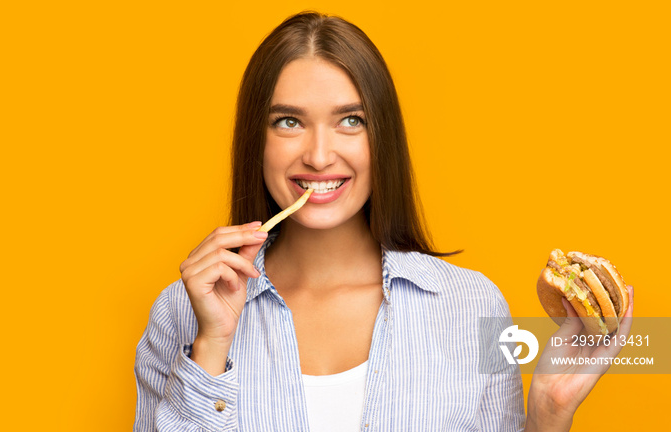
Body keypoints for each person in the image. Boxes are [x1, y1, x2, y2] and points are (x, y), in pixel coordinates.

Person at [134, 11, 634, 432]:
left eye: (351, 120)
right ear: (255, 140)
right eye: (289, 121)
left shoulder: (470, 307)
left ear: (383, 139)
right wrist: (213, 345)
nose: (320, 154)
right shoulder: (182, 314)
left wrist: (548, 412)